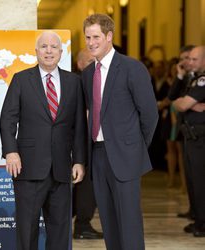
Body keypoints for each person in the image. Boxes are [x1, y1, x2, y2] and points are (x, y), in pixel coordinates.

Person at [0, 31, 87, 250]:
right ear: (36, 51)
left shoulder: (74, 82)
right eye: (44, 47)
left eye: (53, 47)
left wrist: (79, 160)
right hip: (27, 168)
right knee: (27, 229)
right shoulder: (21, 79)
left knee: (59, 230)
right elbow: (7, 119)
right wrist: (11, 151)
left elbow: (79, 126)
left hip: (61, 169)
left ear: (61, 51)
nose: (49, 51)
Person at [81, 14, 158, 250]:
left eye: (96, 37)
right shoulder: (87, 74)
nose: (91, 42)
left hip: (126, 156)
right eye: (87, 37)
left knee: (129, 223)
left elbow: (149, 114)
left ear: (109, 36)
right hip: (98, 156)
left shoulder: (131, 68)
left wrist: (135, 148)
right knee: (108, 222)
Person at [173, 45, 205, 237]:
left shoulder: (202, 80)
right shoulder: (193, 79)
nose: (189, 62)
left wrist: (184, 104)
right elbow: (177, 102)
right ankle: (198, 218)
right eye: (189, 59)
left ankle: (202, 223)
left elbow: (182, 104)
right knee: (193, 181)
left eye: (194, 59)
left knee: (200, 182)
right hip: (191, 136)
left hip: (200, 137)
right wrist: (185, 104)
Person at [72, 48, 103, 239]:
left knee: (89, 185)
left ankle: (83, 223)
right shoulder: (77, 83)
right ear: (80, 64)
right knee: (86, 184)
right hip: (80, 142)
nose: (95, 66)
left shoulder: (98, 82)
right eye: (90, 62)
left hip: (94, 141)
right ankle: (82, 224)